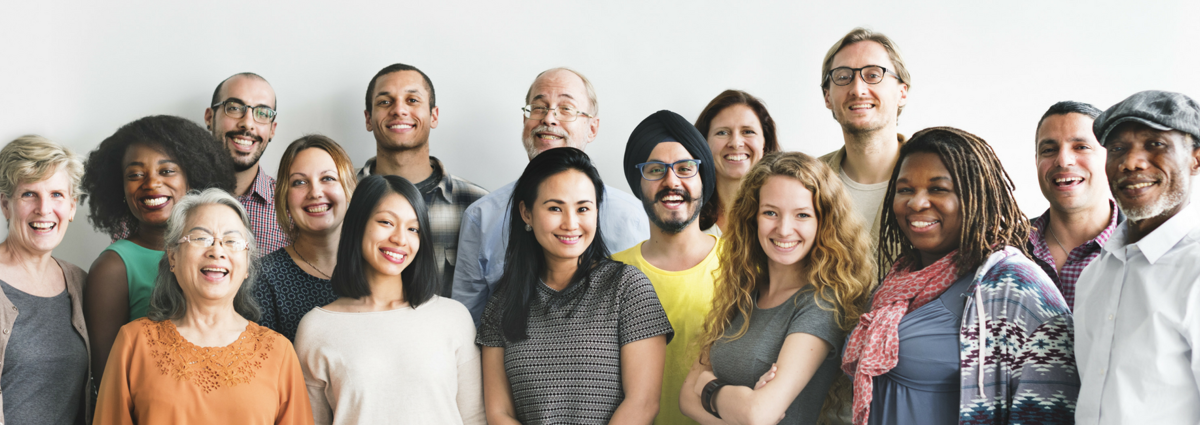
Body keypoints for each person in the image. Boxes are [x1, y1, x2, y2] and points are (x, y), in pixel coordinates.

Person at [842, 127, 1078, 425]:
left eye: (938, 189)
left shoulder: (1014, 285)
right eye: (905, 190)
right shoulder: (898, 280)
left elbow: (1053, 408)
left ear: (976, 196)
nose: (916, 203)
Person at [477, 148, 672, 424]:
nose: (571, 223)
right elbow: (500, 413)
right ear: (526, 213)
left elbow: (643, 404)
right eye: (555, 208)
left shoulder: (628, 288)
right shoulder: (502, 302)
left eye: (583, 208)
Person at [680, 152, 873, 425]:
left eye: (802, 215)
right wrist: (736, 403)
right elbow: (687, 398)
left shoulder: (823, 303)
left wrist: (707, 387)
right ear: (753, 217)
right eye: (770, 212)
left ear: (823, 222)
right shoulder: (743, 289)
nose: (784, 229)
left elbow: (759, 414)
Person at [93, 189, 312, 424]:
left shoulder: (279, 352)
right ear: (173, 256)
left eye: (232, 241)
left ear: (247, 264)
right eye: (200, 238)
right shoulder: (133, 342)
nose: (217, 251)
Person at [453, 67, 650, 326]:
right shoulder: (482, 216)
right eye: (539, 107)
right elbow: (468, 323)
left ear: (592, 128)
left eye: (566, 109)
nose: (549, 119)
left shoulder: (632, 216)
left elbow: (642, 318)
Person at [294, 175, 483, 425]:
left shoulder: (453, 317)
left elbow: (474, 419)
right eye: (386, 222)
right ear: (357, 225)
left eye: (413, 228)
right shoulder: (317, 327)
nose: (400, 239)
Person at [1075, 90, 1200, 424]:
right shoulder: (1094, 276)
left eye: (1155, 144)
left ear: (1196, 158)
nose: (1131, 162)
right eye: (1117, 149)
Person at [81, 115, 235, 386]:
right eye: (135, 174)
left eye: (166, 171)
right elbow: (107, 380)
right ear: (120, 187)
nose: (151, 183)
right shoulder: (114, 267)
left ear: (192, 177)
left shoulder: (221, 256)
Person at [612, 110, 719, 425]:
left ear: (704, 178)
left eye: (685, 168)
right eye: (656, 170)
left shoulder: (745, 267)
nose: (672, 181)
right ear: (639, 182)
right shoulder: (607, 275)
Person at [356, 63, 488, 293]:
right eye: (385, 102)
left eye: (412, 100)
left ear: (433, 115)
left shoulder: (478, 206)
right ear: (368, 119)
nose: (399, 110)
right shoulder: (340, 198)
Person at [0, 136, 90, 425]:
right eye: (29, 194)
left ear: (72, 207)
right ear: (5, 205)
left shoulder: (80, 282)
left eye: (56, 194)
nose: (44, 208)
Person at [254, 135, 356, 341]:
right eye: (299, 182)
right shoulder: (262, 279)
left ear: (349, 189)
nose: (315, 192)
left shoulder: (378, 266)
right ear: (284, 198)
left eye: (327, 178)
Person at [818, 28, 911, 249]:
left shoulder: (944, 176)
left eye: (873, 75)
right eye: (843, 77)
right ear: (827, 97)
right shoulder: (805, 183)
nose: (858, 90)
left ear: (902, 93)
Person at [1028, 101, 1120, 309]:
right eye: (1049, 150)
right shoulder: (1004, 247)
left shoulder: (1147, 247)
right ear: (1036, 162)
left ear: (1111, 157)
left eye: (1081, 147)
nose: (1063, 160)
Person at [204, 72, 289, 256]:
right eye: (234, 108)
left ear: (272, 130)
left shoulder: (291, 208)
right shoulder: (174, 196)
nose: (248, 124)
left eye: (263, 113)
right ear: (209, 118)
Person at [694, 89, 781, 236]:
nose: (735, 143)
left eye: (748, 131)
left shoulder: (785, 214)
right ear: (704, 142)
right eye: (722, 132)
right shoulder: (686, 213)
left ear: (765, 142)